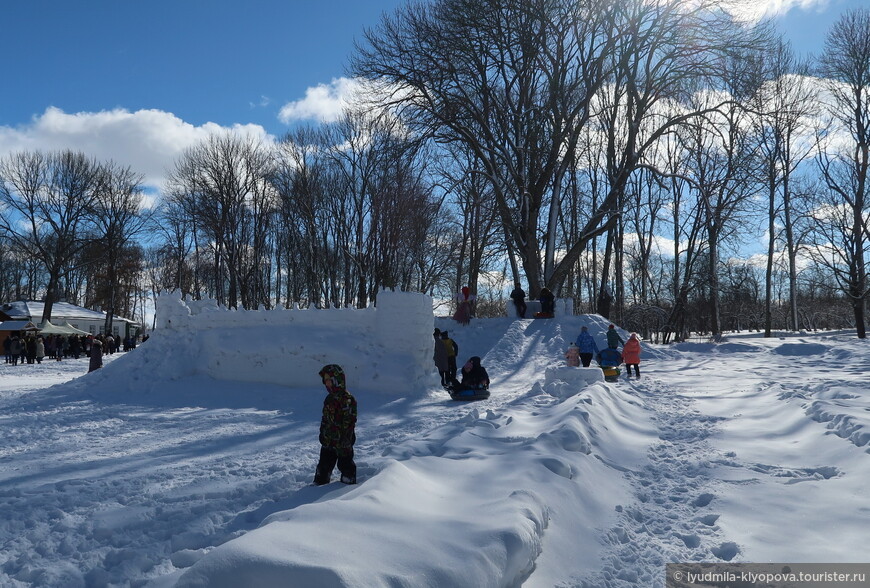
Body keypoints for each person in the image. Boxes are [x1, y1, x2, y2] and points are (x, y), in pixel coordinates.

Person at [314, 364, 357, 485]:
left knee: (346, 464)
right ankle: (319, 483)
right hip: (328, 440)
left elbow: (350, 421)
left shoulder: (347, 399)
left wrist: (345, 438)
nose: (327, 383)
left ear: (337, 380)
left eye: (329, 380)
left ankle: (347, 484)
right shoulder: (329, 399)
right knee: (324, 465)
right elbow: (325, 419)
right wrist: (323, 433)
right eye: (325, 380)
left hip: (343, 441)